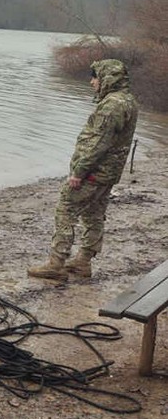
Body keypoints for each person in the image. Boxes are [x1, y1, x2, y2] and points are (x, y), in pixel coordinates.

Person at [28, 59, 138, 282]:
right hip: (108, 173)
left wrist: (79, 172)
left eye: (94, 77)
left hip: (95, 172)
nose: (91, 82)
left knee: (66, 208)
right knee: (94, 214)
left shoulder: (112, 105)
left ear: (106, 78)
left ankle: (56, 264)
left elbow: (99, 143)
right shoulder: (127, 101)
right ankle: (83, 262)